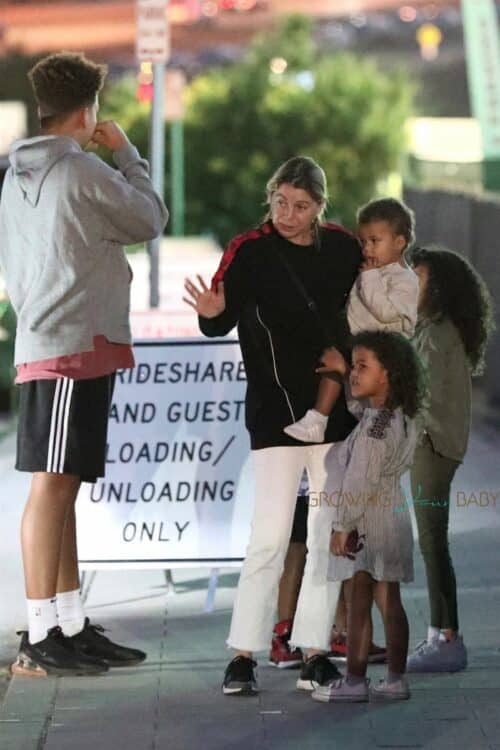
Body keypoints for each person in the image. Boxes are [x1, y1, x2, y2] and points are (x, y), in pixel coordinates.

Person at [0, 52, 168, 677]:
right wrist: (127, 153)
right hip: (70, 343)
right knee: (50, 487)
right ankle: (41, 630)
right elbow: (150, 218)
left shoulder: (14, 172)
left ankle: (67, 622)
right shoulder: (80, 171)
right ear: (87, 111)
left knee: (63, 485)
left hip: (52, 339)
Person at [184, 156, 362, 695]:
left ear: (319, 208)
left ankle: (314, 651)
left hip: (337, 414)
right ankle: (243, 655)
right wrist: (211, 313)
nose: (287, 214)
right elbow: (217, 320)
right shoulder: (250, 250)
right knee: (269, 536)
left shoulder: (344, 249)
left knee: (328, 537)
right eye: (280, 202)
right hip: (273, 413)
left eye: (300, 206)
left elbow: (371, 314)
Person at [310, 331, 426, 703]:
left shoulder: (376, 429)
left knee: (359, 598)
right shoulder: (397, 415)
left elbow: (360, 479)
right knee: (390, 598)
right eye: (354, 365)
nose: (356, 374)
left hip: (368, 521)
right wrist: (345, 373)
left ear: (387, 374)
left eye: (363, 367)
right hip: (393, 515)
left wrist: (343, 526)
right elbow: (362, 410)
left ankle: (355, 681)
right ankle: (396, 678)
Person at [405, 246, 494, 672]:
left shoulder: (438, 335)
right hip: (433, 446)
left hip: (433, 448)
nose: (410, 286)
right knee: (431, 541)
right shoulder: (433, 328)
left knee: (432, 542)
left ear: (437, 287)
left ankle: (449, 639)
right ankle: (439, 634)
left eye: (417, 279)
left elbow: (428, 397)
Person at [285, 197, 418, 443]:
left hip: (383, 357)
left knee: (376, 428)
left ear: (400, 242)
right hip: (357, 345)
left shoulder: (404, 280)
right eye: (363, 241)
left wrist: (368, 279)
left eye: (375, 241)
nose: (366, 249)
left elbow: (386, 312)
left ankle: (322, 420)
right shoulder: (373, 270)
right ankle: (319, 418)